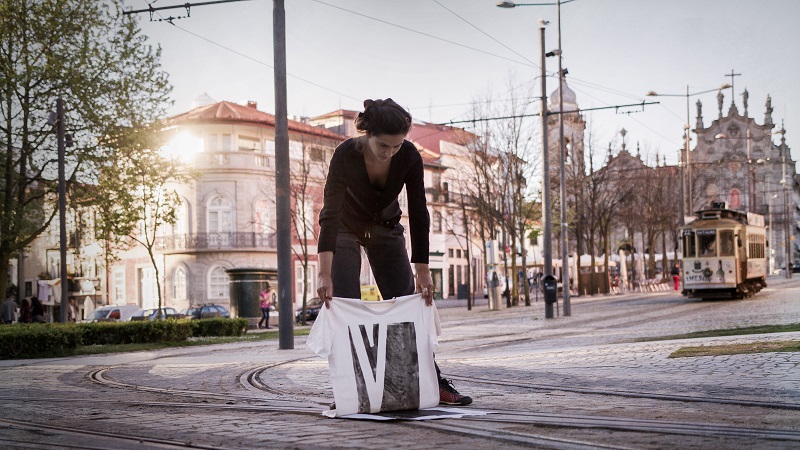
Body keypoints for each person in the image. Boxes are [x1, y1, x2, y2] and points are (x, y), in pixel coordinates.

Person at [316, 98, 472, 406]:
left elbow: (419, 209)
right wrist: (323, 273)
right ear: (367, 135)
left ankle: (431, 381)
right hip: (345, 228)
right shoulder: (345, 155)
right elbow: (330, 213)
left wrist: (423, 270)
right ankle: (351, 391)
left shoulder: (410, 157)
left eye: (396, 146)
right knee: (346, 307)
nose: (389, 153)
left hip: (386, 227)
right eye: (383, 146)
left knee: (408, 305)